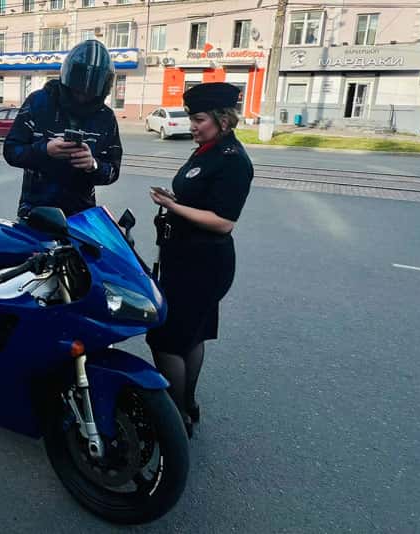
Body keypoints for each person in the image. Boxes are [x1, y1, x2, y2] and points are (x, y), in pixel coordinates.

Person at [146, 82, 253, 438]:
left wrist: (173, 206)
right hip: (186, 257)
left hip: (203, 264)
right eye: (192, 118)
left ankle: (174, 416)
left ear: (223, 120)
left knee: (164, 340)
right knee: (192, 336)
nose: (192, 125)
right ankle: (187, 406)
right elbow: (200, 198)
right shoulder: (207, 150)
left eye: (199, 119)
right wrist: (175, 199)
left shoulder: (233, 160)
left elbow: (223, 221)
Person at [3, 40, 122, 218]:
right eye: (77, 92)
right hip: (36, 214)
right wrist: (45, 150)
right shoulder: (38, 103)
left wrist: (93, 165)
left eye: (89, 95)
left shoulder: (106, 117)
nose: (82, 99)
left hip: (81, 217)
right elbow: (11, 150)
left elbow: (113, 170)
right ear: (67, 82)